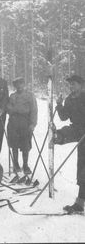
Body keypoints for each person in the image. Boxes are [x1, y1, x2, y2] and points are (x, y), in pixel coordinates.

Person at [53, 75, 85, 214]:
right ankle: (80, 203)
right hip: (80, 133)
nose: (71, 87)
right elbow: (64, 117)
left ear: (81, 85)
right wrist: (59, 104)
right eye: (70, 84)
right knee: (82, 169)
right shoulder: (69, 100)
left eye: (74, 84)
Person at [6, 77, 38, 174]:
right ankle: (15, 164)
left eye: (21, 84)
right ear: (15, 86)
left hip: (25, 122)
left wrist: (32, 124)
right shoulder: (12, 96)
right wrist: (12, 109)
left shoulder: (30, 96)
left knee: (25, 144)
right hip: (13, 122)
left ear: (24, 85)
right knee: (14, 144)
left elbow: (34, 110)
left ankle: (25, 165)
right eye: (17, 84)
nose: (19, 86)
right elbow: (8, 108)